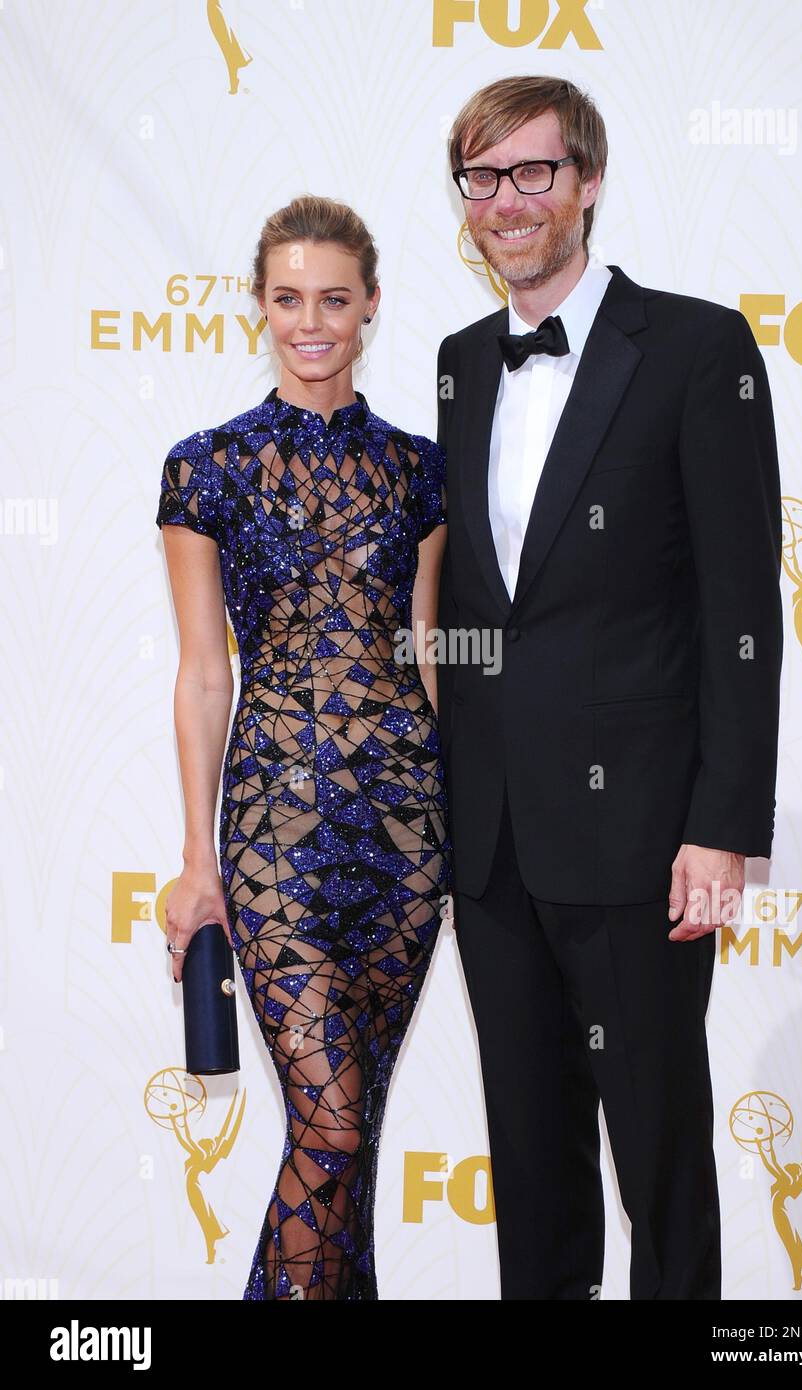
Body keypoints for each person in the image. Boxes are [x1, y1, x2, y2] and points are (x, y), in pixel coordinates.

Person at [435, 75, 783, 1299]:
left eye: (532, 172)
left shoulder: (694, 348)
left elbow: (741, 609)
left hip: (641, 841)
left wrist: (721, 826)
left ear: (585, 181)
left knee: (660, 1167)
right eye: (483, 178)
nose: (508, 200)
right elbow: (486, 614)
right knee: (530, 1174)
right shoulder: (458, 363)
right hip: (491, 847)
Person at [155, 195, 450, 1300]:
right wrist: (198, 861)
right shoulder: (208, 468)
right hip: (275, 838)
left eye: (334, 298)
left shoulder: (418, 471)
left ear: (370, 306)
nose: (311, 322)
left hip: (407, 835)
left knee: (351, 1143)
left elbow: (424, 654)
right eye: (288, 298)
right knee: (325, 1128)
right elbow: (201, 673)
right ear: (261, 305)